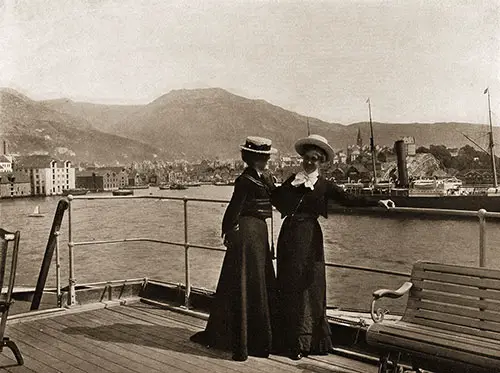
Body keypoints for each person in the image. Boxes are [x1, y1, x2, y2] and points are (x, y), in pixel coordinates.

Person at [271, 134, 393, 360]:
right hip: (288, 236)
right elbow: (276, 199)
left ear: (322, 162)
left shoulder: (325, 186)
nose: (310, 162)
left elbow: (349, 199)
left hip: (308, 239)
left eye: (315, 159)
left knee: (308, 285)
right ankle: (285, 340)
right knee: (287, 283)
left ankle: (304, 342)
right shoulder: (292, 180)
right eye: (307, 158)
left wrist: (378, 201)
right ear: (302, 159)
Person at [190, 136, 278, 361]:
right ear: (254, 158)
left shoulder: (264, 178)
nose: (267, 159)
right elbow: (233, 209)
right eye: (263, 156)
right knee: (245, 283)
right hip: (248, 236)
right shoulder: (245, 180)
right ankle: (244, 341)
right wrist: (229, 232)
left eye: (267, 156)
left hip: (258, 235)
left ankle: (252, 338)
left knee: (251, 282)